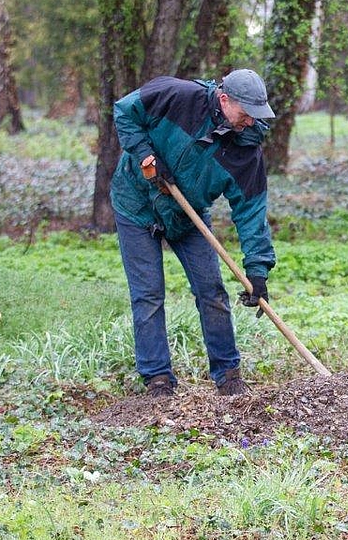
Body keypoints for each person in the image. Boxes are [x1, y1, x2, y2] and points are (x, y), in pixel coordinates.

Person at [110, 68, 277, 397]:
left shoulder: (246, 151)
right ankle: (158, 379)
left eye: (256, 116)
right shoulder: (176, 96)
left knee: (211, 290)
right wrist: (146, 156)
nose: (249, 122)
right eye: (245, 114)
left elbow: (251, 211)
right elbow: (124, 111)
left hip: (188, 215)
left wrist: (257, 270)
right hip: (136, 204)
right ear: (224, 99)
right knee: (149, 295)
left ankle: (228, 375)